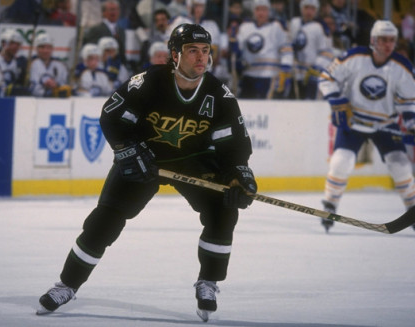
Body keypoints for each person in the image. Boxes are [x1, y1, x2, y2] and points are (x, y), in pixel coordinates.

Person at [36, 23, 257, 323]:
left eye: (205, 51)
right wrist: (127, 150)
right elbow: (111, 116)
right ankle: (67, 284)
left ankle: (209, 282)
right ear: (175, 54)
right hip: (146, 159)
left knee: (223, 210)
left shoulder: (220, 96)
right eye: (193, 51)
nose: (201, 58)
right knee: (106, 219)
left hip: (194, 162)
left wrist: (238, 174)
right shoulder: (149, 82)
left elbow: (234, 144)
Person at [318, 20, 415, 234]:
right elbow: (326, 78)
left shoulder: (402, 66)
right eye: (383, 40)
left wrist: (413, 124)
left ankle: (413, 209)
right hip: (354, 121)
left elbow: (409, 101)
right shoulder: (354, 57)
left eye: (392, 40)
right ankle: (330, 203)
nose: (388, 44)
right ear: (373, 40)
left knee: (401, 164)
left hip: (385, 124)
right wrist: (336, 100)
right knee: (341, 162)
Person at [231, 0, 293, 99]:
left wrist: (286, 69)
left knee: (267, 108)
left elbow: (286, 49)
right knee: (245, 108)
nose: (261, 13)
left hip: (270, 76)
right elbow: (238, 50)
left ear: (269, 11)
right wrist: (234, 44)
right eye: (258, 9)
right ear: (253, 11)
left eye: (264, 10)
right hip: (249, 76)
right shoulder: (245, 27)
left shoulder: (276, 26)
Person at [288, 0, 334, 99]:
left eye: (312, 9)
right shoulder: (294, 23)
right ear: (301, 8)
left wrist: (316, 68)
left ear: (316, 10)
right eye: (306, 7)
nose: (309, 11)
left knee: (310, 103)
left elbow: (327, 53)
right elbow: (288, 44)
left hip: (312, 74)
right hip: (296, 72)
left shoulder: (321, 27)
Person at [28, 33, 71, 97]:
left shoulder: (60, 65)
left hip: (55, 101)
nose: (45, 50)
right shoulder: (31, 64)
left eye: (48, 47)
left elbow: (64, 85)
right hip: (34, 101)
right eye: (42, 47)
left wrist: (57, 85)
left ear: (52, 49)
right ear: (36, 49)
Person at [0, 29, 29, 96]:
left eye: (18, 44)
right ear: (3, 43)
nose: (15, 47)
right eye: (12, 43)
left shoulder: (19, 63)